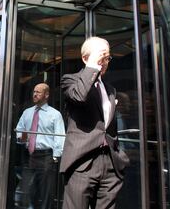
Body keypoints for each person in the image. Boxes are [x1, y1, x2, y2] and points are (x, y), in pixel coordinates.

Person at [60, 36, 130, 209]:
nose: (104, 62)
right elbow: (78, 96)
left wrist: (119, 156)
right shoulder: (70, 80)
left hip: (110, 163)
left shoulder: (110, 89)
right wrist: (92, 66)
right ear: (85, 58)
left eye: (107, 58)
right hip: (82, 162)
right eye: (101, 57)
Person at [15, 83, 65, 209]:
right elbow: (19, 130)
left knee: (46, 192)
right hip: (30, 156)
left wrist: (55, 157)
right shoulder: (27, 112)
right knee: (31, 190)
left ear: (46, 95)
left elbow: (59, 136)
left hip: (46, 156)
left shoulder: (55, 114)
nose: (35, 94)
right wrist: (22, 138)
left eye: (38, 92)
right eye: (34, 92)